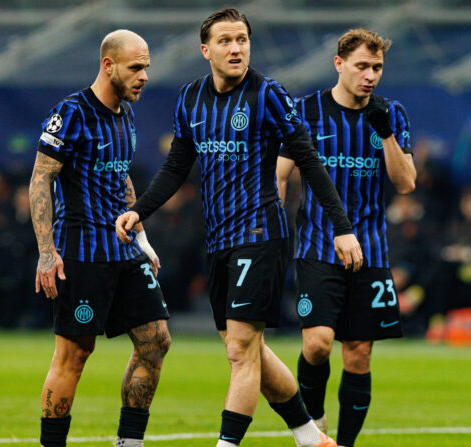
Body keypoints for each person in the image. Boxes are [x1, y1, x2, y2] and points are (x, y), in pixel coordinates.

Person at [115, 9, 362, 447]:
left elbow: (308, 159)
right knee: (249, 349)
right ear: (205, 49)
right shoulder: (190, 99)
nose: (236, 48)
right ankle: (311, 437)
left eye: (243, 39)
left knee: (239, 350)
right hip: (219, 241)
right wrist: (143, 211)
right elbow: (177, 165)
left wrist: (342, 228)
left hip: (261, 234)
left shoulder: (268, 93)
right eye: (226, 40)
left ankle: (227, 444)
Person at [29, 30, 170, 447]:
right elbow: (40, 180)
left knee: (155, 342)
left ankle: (129, 442)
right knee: (74, 355)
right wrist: (45, 253)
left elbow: (119, 173)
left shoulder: (125, 112)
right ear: (109, 65)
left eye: (146, 67)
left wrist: (142, 237)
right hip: (83, 253)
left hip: (124, 249)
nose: (144, 75)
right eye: (136, 67)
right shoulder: (70, 113)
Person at [275, 28, 415, 447]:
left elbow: (406, 183)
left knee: (359, 352)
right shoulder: (307, 111)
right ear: (339, 64)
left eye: (377, 68)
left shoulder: (391, 113)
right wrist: (272, 232)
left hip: (370, 251)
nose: (370, 75)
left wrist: (387, 133)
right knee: (317, 343)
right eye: (362, 66)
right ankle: (314, 427)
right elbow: (279, 175)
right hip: (318, 245)